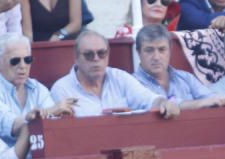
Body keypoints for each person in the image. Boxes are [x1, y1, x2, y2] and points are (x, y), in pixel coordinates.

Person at [0, 33, 75, 148]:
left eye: (27, 60)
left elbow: (53, 127)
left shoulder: (38, 88)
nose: (23, 66)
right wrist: (49, 112)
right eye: (15, 61)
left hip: (39, 158)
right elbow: (11, 126)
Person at [49, 30, 181, 118]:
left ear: (108, 55)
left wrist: (164, 103)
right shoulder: (62, 89)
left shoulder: (120, 78)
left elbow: (149, 99)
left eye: (101, 53)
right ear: (76, 58)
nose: (96, 59)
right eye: (89, 55)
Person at [133, 23, 225, 109]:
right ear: (138, 52)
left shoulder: (186, 78)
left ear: (170, 50)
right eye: (149, 50)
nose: (156, 57)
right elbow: (163, 106)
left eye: (162, 50)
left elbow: (210, 97)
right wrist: (199, 104)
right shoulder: (131, 83)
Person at [113, 0, 180, 39]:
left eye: (164, 1)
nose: (158, 4)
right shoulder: (126, 33)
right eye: (151, 0)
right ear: (139, 4)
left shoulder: (175, 33)